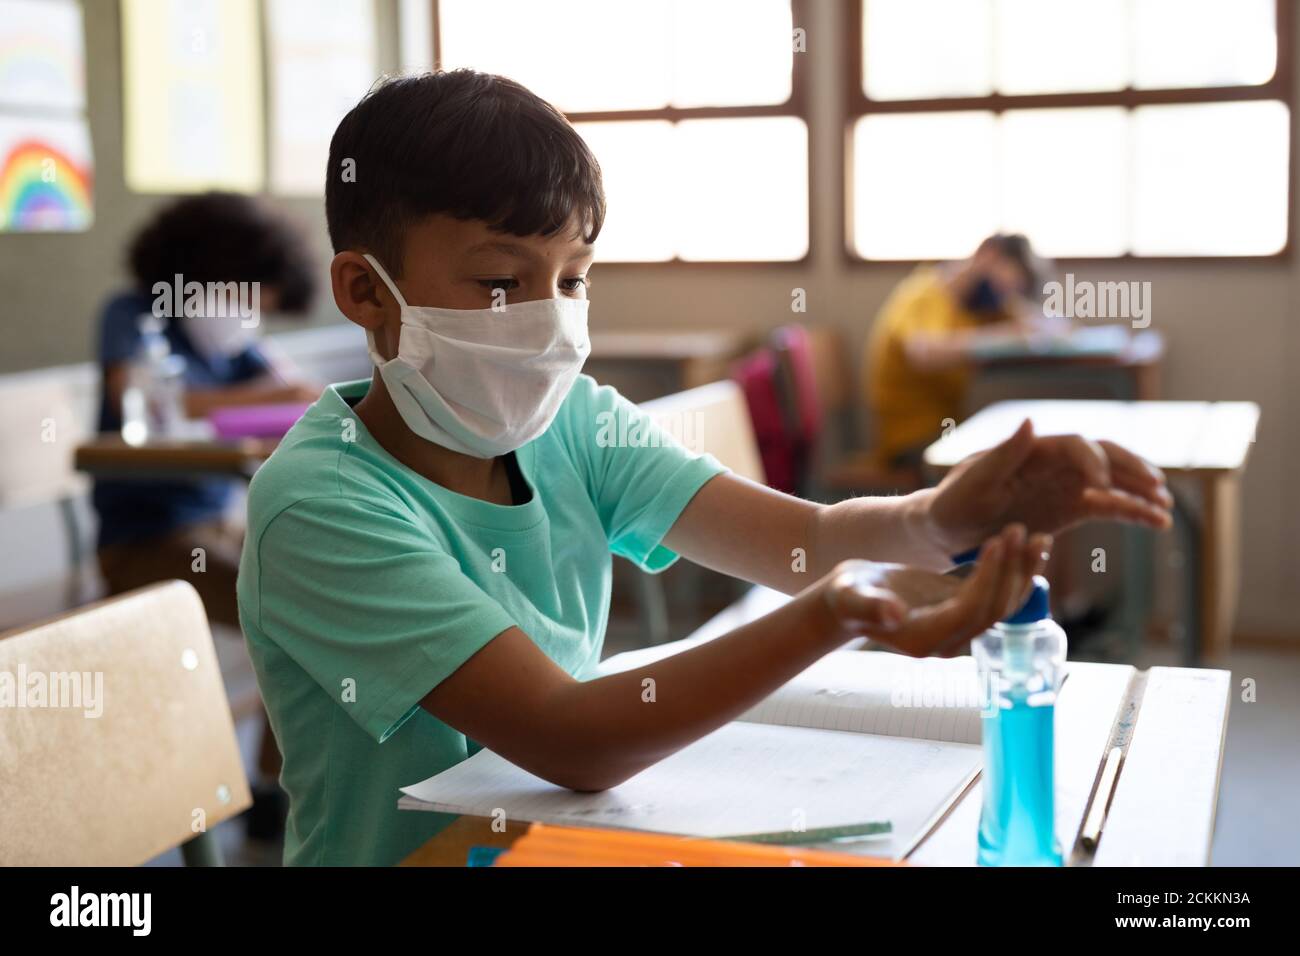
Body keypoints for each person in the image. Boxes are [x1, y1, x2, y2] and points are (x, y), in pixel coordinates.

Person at [237, 71, 1172, 866]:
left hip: (548, 842)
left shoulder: (572, 427)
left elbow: (803, 541)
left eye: (574, 279)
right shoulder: (323, 505)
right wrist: (838, 613)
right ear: (366, 291)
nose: (553, 318)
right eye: (500, 281)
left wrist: (941, 518)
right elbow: (571, 738)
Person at [93, 192, 320, 625]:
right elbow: (137, 401)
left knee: (324, 581)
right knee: (286, 614)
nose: (249, 316)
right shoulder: (135, 316)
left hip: (220, 524)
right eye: (247, 301)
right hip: (143, 541)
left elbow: (298, 391)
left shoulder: (229, 343)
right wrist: (273, 397)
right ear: (212, 271)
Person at [865, 234, 1055, 472]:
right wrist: (1004, 335)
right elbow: (922, 353)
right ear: (988, 256)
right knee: (1009, 465)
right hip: (910, 441)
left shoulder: (977, 305)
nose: (1005, 295)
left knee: (1024, 451)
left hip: (948, 429)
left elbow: (1041, 324)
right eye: (1005, 286)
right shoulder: (924, 294)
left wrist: (1031, 321)